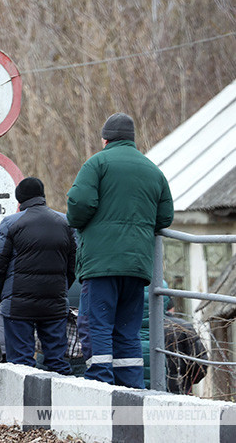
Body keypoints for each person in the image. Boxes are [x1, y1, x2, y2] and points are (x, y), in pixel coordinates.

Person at [67, 113, 174, 388]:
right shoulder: (153, 170)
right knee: (128, 330)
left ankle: (101, 385)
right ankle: (132, 388)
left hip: (101, 264)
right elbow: (165, 218)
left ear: (105, 139)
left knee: (97, 325)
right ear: (131, 139)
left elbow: (79, 207)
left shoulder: (96, 164)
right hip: (138, 266)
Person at [0, 177, 76, 375]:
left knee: (21, 364)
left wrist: (2, 295)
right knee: (57, 362)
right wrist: (60, 291)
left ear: (19, 201)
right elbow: (72, 266)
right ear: (42, 196)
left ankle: (24, 405)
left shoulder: (11, 223)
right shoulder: (65, 222)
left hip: (18, 305)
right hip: (54, 303)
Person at [164, 309, 208, 395]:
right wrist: (186, 381)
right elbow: (200, 364)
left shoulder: (133, 325)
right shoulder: (182, 326)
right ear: (171, 308)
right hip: (178, 391)